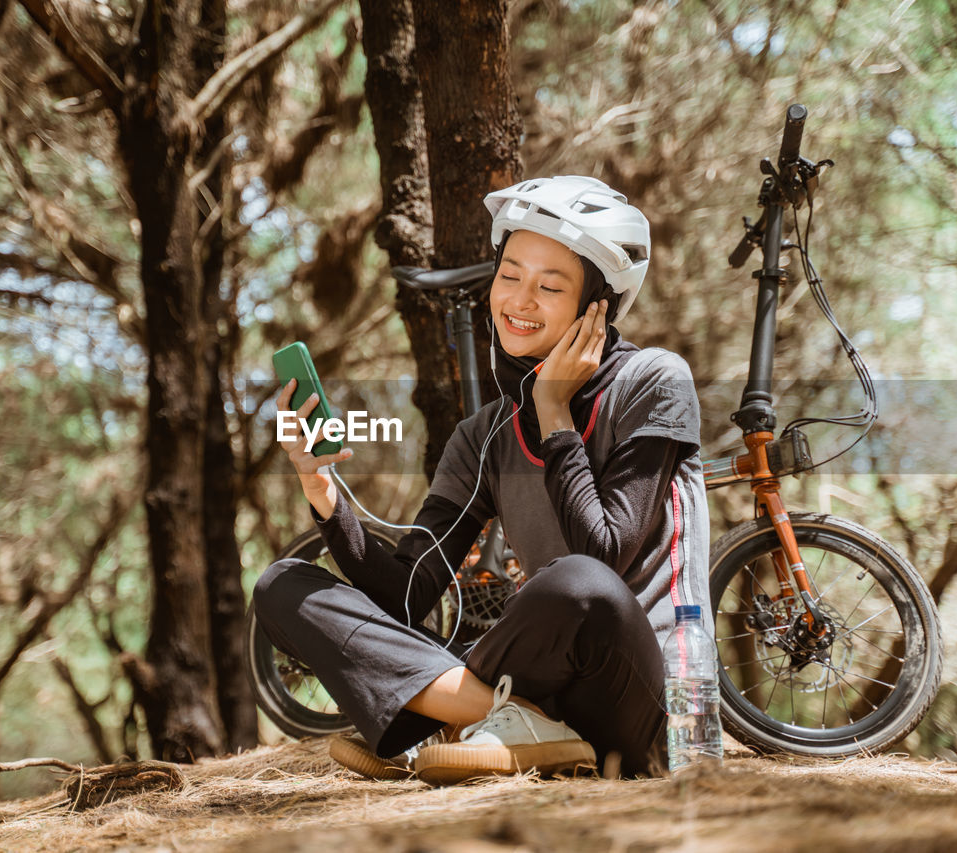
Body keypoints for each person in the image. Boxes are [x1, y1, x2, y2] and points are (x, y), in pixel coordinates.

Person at [254, 176, 710, 784]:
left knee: (578, 583)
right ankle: (499, 722)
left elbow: (602, 552)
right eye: (509, 275)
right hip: (539, 699)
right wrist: (323, 492)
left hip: (654, 710)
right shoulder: (483, 436)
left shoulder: (655, 381)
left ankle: (447, 723)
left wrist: (553, 411)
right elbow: (407, 593)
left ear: (595, 305)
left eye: (550, 286)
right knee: (283, 586)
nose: (519, 301)